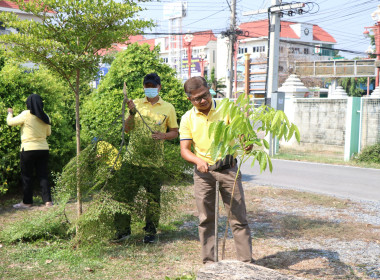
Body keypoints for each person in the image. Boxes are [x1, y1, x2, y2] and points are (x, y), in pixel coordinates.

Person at [179, 76, 253, 264]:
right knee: (206, 220)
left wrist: (247, 143)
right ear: (190, 99)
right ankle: (209, 264)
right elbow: (185, 150)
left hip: (229, 170)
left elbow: (243, 135)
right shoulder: (187, 118)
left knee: (238, 217)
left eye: (205, 95)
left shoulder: (227, 109)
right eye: (197, 99)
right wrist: (198, 161)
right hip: (204, 174)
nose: (203, 101)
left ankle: (246, 264)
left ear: (209, 90)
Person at [120, 72, 178, 243]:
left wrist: (163, 136)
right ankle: (123, 231)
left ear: (159, 87)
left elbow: (175, 132)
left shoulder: (168, 108)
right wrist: (131, 113)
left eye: (153, 86)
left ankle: (150, 233)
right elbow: (127, 129)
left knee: (152, 200)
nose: (150, 89)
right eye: (147, 86)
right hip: (132, 160)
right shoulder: (136, 103)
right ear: (144, 87)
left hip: (154, 162)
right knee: (124, 196)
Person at [7, 94, 53, 209]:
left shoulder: (26, 114)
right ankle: (48, 201)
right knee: (43, 175)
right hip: (43, 149)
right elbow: (48, 133)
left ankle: (27, 202)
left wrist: (10, 113)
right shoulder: (45, 116)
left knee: (27, 176)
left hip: (28, 149)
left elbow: (10, 122)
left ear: (29, 104)